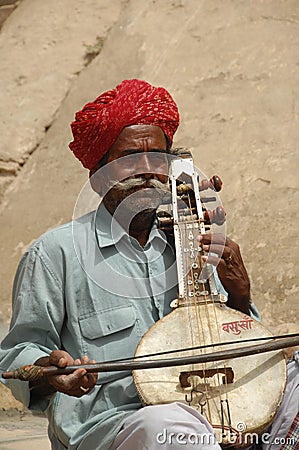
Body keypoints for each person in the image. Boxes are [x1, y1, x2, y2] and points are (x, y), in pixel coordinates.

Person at [0, 79, 297, 450]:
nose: (145, 171)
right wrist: (51, 371)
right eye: (128, 160)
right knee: (169, 424)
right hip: (119, 424)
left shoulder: (191, 237)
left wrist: (240, 292)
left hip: (214, 405)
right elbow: (18, 354)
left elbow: (233, 340)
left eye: (157, 157)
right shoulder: (54, 254)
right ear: (98, 175)